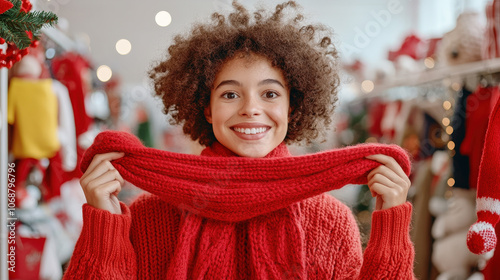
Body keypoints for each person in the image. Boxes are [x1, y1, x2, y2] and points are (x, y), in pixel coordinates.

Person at [63, 1, 415, 279]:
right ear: (206, 108)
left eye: (270, 94)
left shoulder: (330, 221)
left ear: (293, 108)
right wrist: (103, 225)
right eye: (230, 95)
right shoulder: (149, 216)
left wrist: (391, 229)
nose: (251, 109)